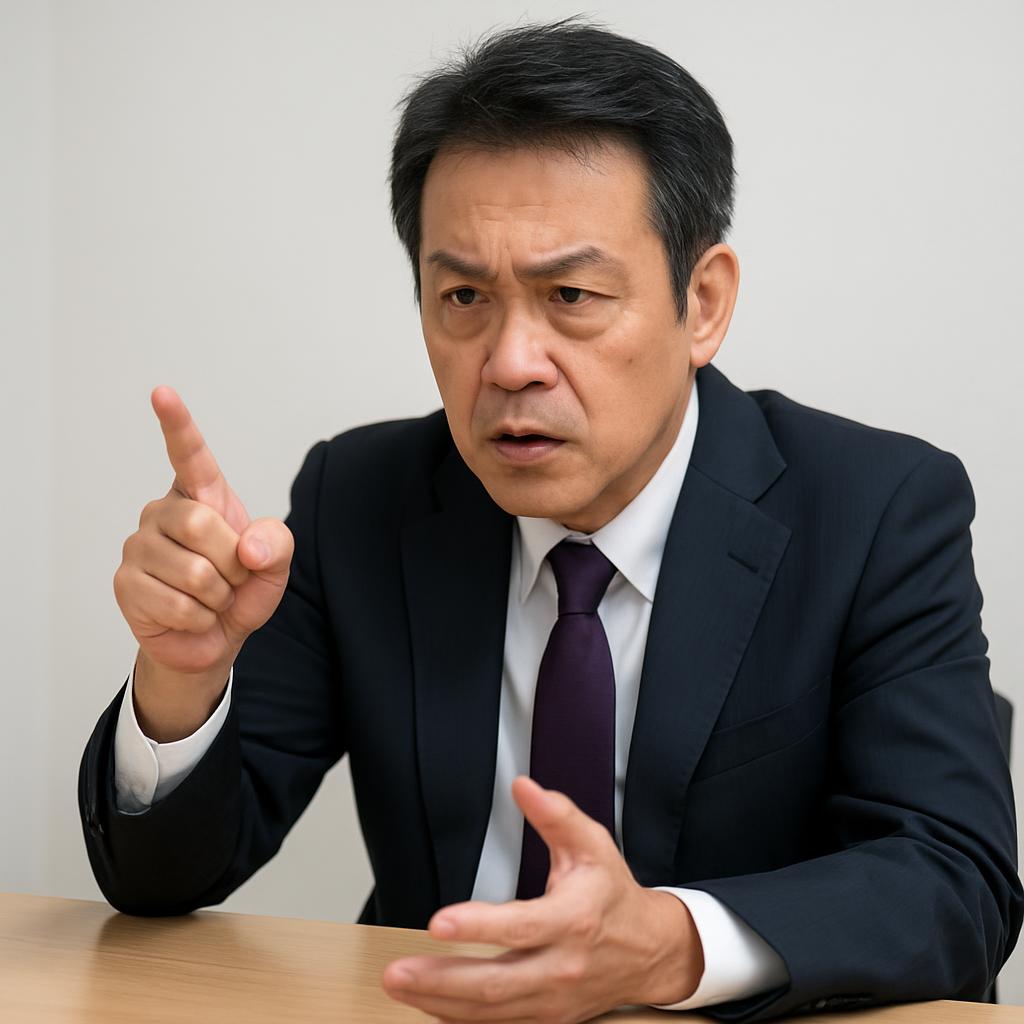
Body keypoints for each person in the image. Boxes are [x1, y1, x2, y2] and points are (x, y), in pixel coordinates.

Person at [78, 18, 1022, 1024]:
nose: (509, 361)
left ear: (702, 302)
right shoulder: (360, 497)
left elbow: (953, 880)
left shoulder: (873, 509)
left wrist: (667, 946)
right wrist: (182, 677)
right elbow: (160, 878)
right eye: (463, 296)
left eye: (570, 293)